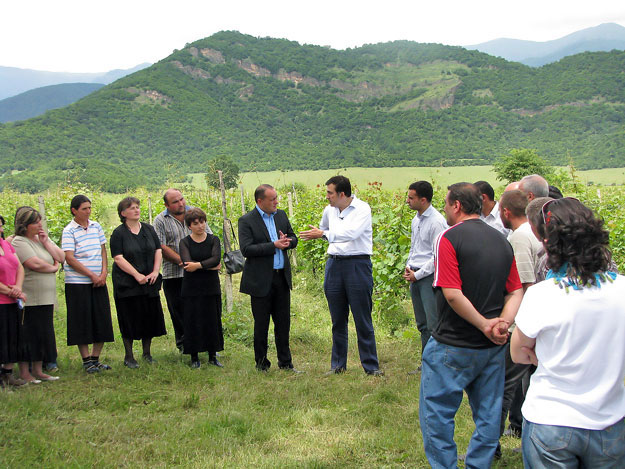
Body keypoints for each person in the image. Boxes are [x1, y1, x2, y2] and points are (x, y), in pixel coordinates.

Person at [511, 197, 625, 468]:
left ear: (549, 243)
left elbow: (518, 353)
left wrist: (542, 356)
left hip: (551, 419)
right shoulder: (621, 289)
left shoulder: (542, 295)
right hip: (611, 421)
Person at [419, 183, 523, 468]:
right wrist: (503, 323)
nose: (444, 209)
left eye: (446, 204)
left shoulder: (448, 238)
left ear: (457, 206)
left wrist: (484, 324)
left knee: (437, 415)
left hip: (452, 343)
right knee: (489, 416)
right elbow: (515, 291)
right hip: (491, 349)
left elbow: (451, 293)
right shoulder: (502, 240)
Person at [300, 176, 382, 376]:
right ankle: (337, 365)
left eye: (330, 193)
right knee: (337, 319)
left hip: (357, 264)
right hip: (334, 264)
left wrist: (324, 235)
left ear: (342, 194)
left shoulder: (362, 209)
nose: (327, 196)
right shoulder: (329, 210)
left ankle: (371, 367)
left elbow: (352, 233)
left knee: (362, 318)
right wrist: (323, 233)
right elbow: (324, 228)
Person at [496, 189, 544, 455]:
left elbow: (525, 284)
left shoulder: (519, 237)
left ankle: (490, 446)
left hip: (525, 323)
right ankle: (521, 430)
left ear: (505, 212)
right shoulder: (530, 233)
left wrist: (511, 323)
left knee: (502, 386)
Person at [239, 185, 299, 372]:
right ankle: (262, 363)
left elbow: (293, 237)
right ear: (260, 201)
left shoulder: (280, 215)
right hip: (260, 280)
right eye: (272, 199)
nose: (276, 202)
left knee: (283, 323)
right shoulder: (247, 220)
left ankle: (286, 363)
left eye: (276, 198)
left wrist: (288, 241)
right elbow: (247, 249)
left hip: (281, 278)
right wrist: (273, 245)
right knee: (262, 324)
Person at [153, 188, 212, 352]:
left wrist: (200, 264)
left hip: (199, 273)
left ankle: (204, 344)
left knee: (200, 309)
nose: (180, 203)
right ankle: (185, 345)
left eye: (181, 199)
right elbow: (160, 246)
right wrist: (184, 262)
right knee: (179, 311)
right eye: (175, 202)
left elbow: (209, 238)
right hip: (174, 274)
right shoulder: (160, 220)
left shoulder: (194, 215)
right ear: (166, 205)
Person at [110, 197, 166, 368]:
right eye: (132, 208)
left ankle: (147, 353)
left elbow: (158, 249)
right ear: (123, 213)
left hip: (149, 280)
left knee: (149, 315)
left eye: (137, 207)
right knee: (129, 316)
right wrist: (136, 275)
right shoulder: (119, 233)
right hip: (127, 282)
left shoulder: (148, 229)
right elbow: (118, 257)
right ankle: (129, 356)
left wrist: (155, 271)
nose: (136, 210)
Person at [12, 206, 65, 383]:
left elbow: (61, 256)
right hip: (31, 297)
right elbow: (34, 263)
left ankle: (38, 369)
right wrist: (53, 268)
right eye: (35, 222)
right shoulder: (19, 242)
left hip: (46, 297)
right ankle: (25, 372)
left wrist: (46, 242)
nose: (39, 225)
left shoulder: (40, 239)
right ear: (25, 225)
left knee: (43, 333)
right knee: (29, 334)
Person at [62, 195, 114, 373]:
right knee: (81, 320)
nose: (88, 211)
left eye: (90, 208)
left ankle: (95, 358)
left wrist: (104, 272)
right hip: (78, 282)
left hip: (98, 280)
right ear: (74, 210)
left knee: (101, 318)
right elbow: (69, 258)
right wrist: (91, 275)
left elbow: (102, 250)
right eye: (84, 208)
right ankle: (85, 360)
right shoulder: (69, 230)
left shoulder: (96, 226)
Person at [402, 181, 447, 372]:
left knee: (432, 322)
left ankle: (435, 364)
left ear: (423, 199)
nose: (407, 201)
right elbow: (416, 247)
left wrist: (418, 275)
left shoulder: (436, 222)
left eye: (411, 198)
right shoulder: (416, 219)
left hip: (427, 277)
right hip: (415, 274)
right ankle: (426, 362)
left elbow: (437, 256)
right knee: (422, 323)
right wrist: (408, 266)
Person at [179, 208, 224, 369]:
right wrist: (208, 266)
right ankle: (194, 356)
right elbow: (186, 263)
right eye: (196, 223)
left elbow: (216, 259)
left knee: (212, 319)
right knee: (193, 320)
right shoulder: (184, 242)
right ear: (189, 226)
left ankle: (213, 355)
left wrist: (198, 265)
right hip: (192, 287)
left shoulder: (214, 240)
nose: (200, 226)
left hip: (211, 287)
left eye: (202, 222)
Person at [0, 223, 28, 388]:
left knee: (12, 337)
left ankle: (8, 373)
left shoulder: (7, 245)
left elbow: (20, 268)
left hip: (13, 300)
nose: (1, 230)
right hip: (2, 299)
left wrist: (17, 287)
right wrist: (10, 291)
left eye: (1, 226)